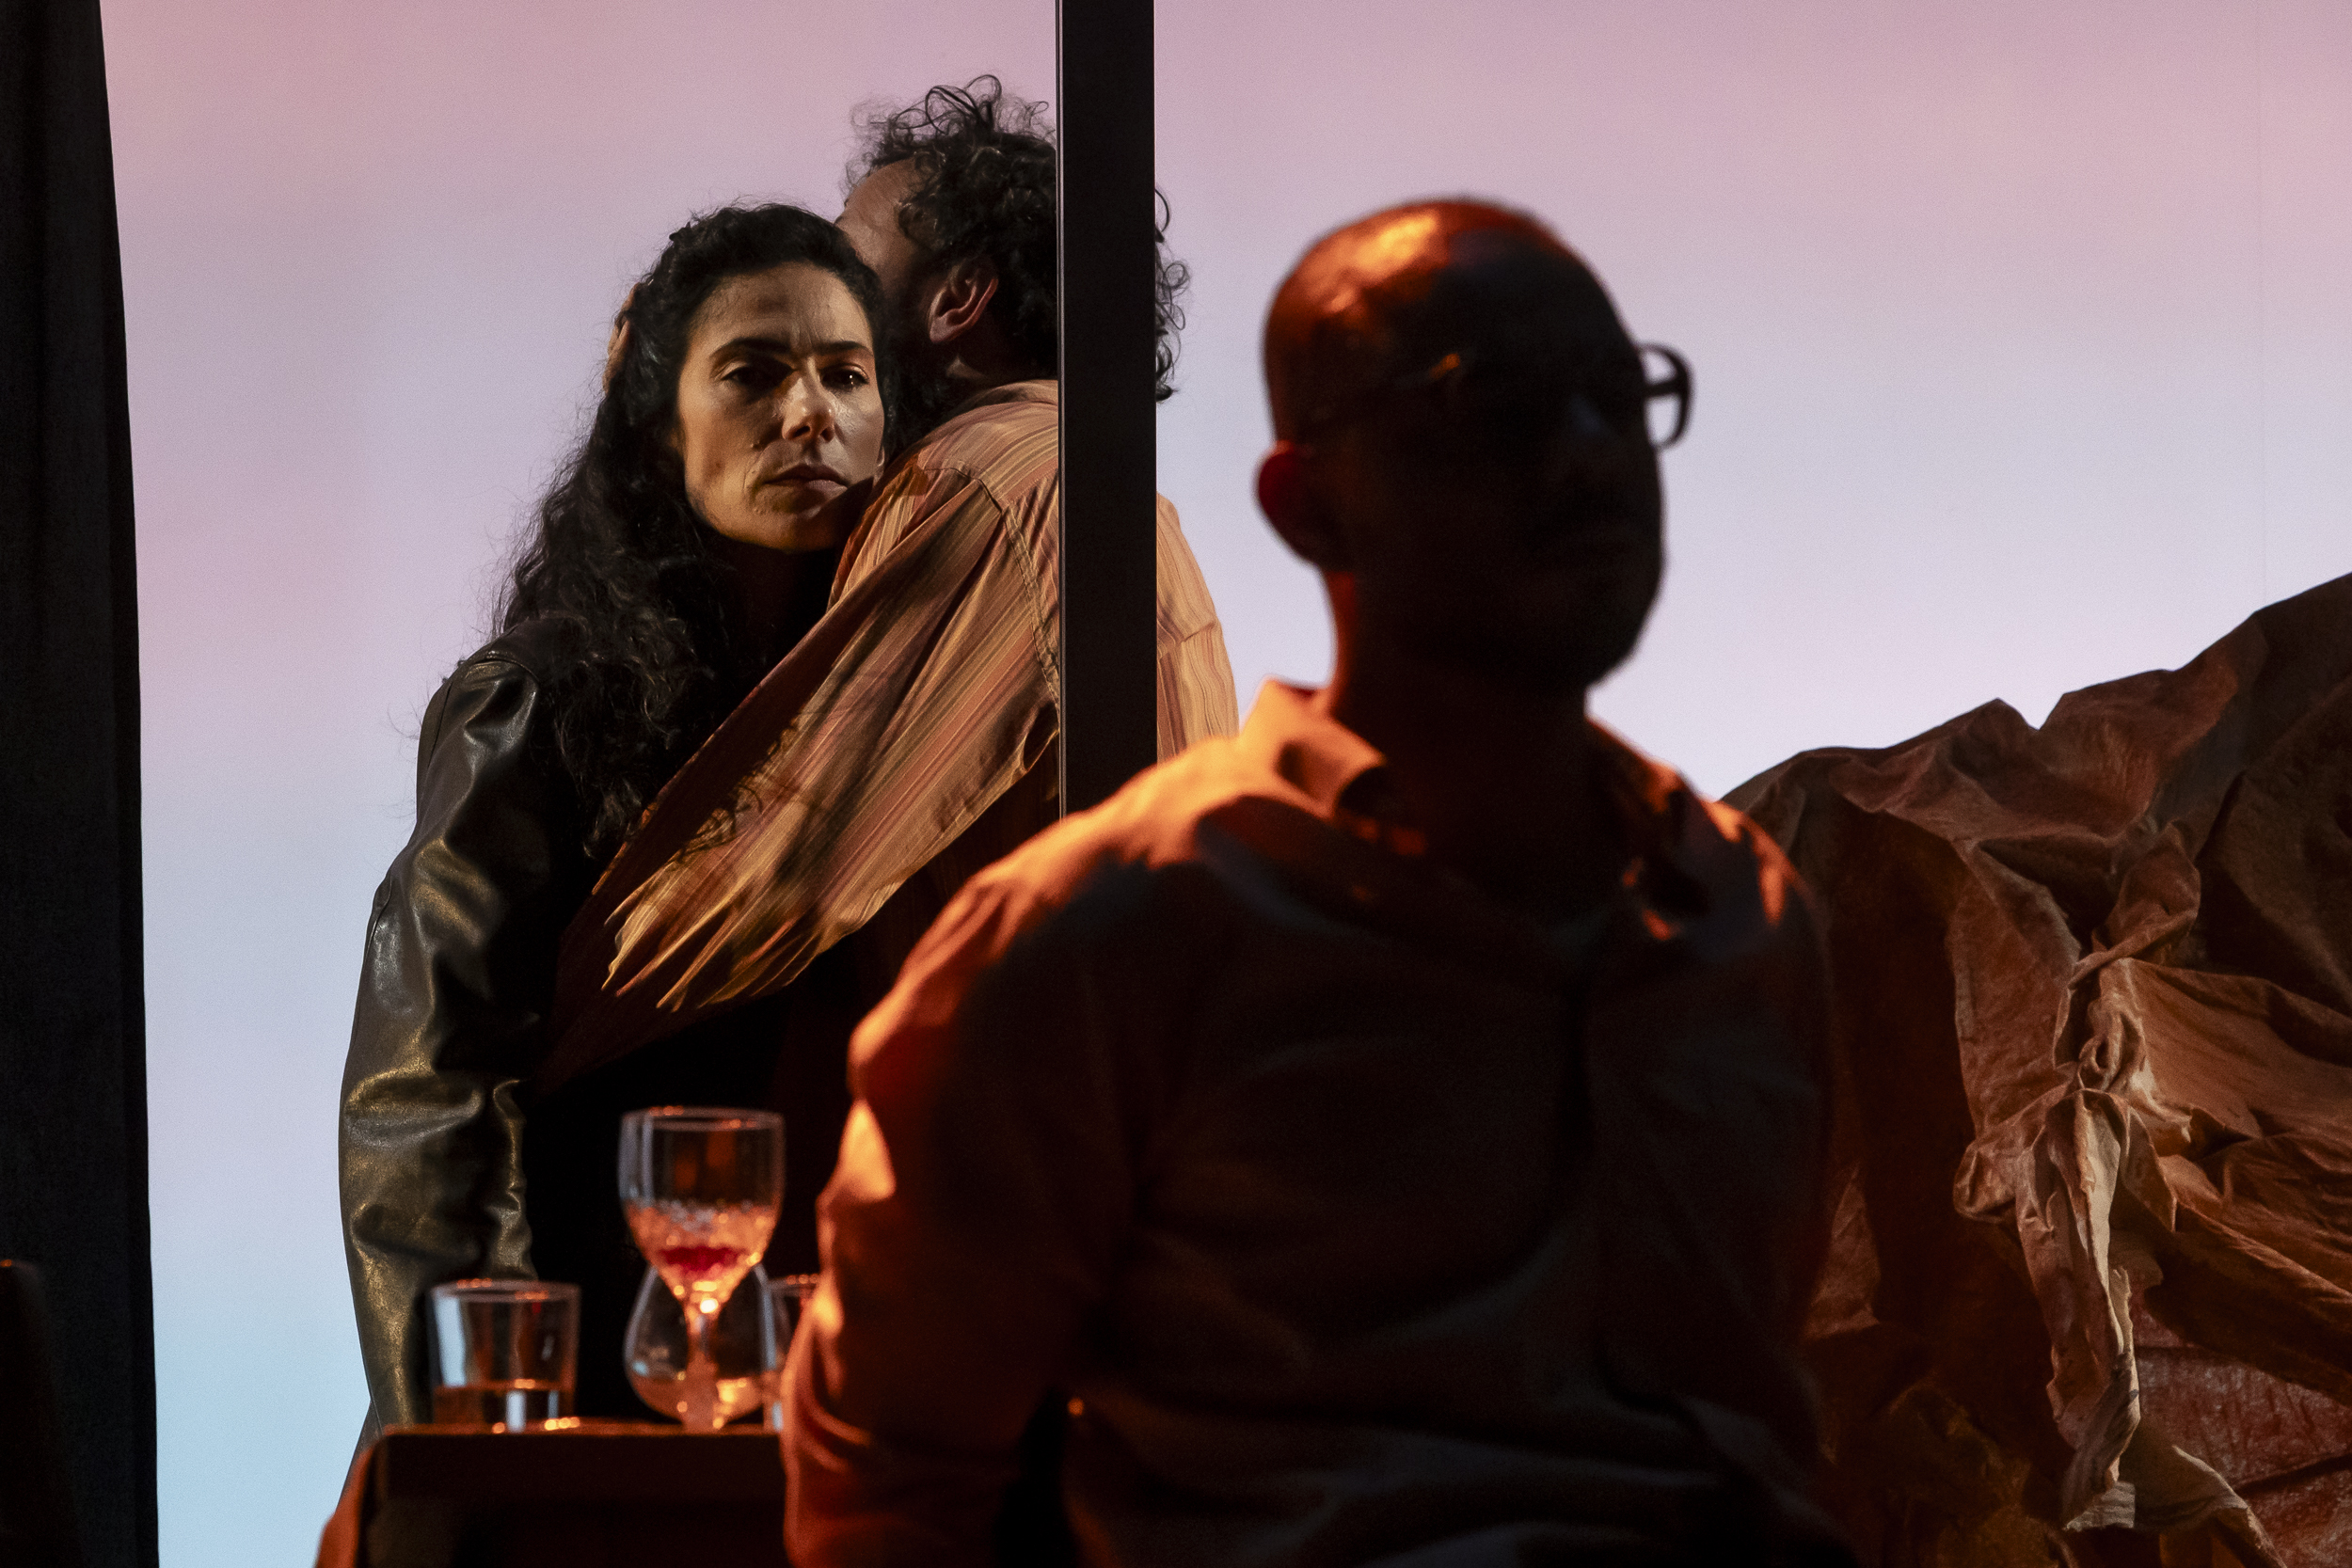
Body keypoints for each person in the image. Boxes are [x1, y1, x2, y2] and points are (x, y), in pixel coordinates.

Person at [785, 200, 1853, 1566]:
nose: (1589, 455)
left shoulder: (1743, 921)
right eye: (1497, 404)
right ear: (1306, 504)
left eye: (1618, 395)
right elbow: (885, 1489)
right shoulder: (1109, 937)